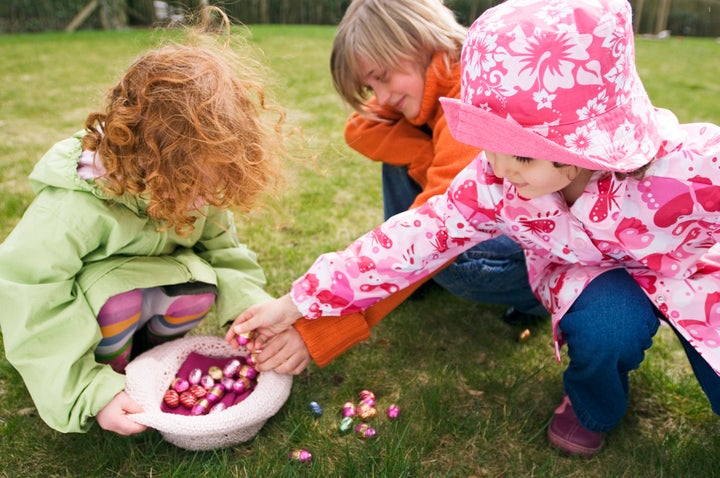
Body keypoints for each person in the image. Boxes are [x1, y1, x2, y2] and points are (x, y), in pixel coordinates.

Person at [228, 0, 720, 458]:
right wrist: (296, 303)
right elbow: (410, 240)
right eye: (487, 146)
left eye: (520, 153)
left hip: (692, 273)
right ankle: (593, 407)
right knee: (605, 331)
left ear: (582, 148)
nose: (500, 169)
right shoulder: (494, 181)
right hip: (585, 273)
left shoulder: (690, 168)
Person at [0, 9, 284, 436]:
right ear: (145, 158)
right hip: (92, 305)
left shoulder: (195, 187)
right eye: (190, 183)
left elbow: (224, 251)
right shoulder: (73, 209)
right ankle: (105, 372)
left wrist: (247, 311)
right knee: (119, 303)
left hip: (141, 290)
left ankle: (143, 359)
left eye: (210, 184)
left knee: (195, 289)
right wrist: (90, 392)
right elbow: (32, 296)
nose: (201, 200)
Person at [261, 0, 546, 375]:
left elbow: (435, 236)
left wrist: (321, 329)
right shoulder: (431, 87)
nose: (379, 97)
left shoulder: (468, 97)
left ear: (420, 41)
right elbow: (359, 127)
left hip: (544, 242)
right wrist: (424, 154)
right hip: (472, 219)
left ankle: (543, 297)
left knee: (455, 262)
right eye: (369, 85)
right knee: (405, 148)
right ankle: (413, 280)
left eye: (382, 76)